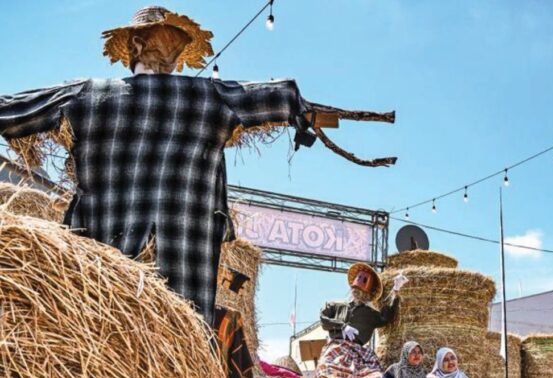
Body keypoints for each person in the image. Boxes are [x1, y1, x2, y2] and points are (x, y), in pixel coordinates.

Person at [0, 6, 394, 328]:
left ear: (133, 46)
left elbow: (12, 112)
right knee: (183, 348)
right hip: (182, 279)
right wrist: (305, 112)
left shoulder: (87, 95)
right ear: (176, 56)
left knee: (96, 336)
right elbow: (281, 94)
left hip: (100, 278)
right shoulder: (208, 97)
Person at [314, 263, 406, 378]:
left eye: (363, 290)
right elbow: (323, 319)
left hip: (359, 353)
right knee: (325, 374)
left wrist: (395, 291)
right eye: (356, 289)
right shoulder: (336, 305)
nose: (358, 293)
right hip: (336, 348)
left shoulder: (370, 314)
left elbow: (386, 317)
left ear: (369, 294)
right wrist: (341, 326)